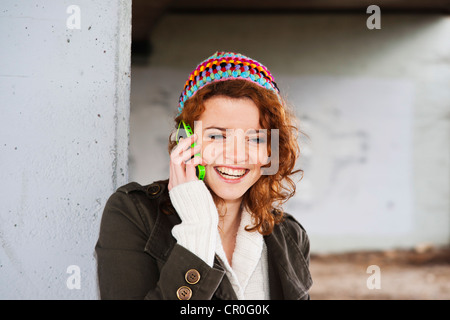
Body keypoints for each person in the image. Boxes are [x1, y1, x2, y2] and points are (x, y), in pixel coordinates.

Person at [95, 51, 312, 300]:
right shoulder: (133, 213)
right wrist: (197, 231)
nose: (236, 156)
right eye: (217, 135)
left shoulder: (290, 235)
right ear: (185, 140)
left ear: (270, 150)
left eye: (255, 138)